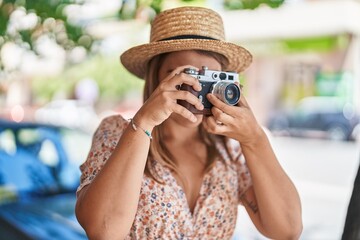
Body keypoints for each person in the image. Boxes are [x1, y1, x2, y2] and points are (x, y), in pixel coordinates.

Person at [75, 6, 302, 239]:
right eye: (188, 76)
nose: (196, 90)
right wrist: (144, 122)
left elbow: (287, 230)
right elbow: (103, 232)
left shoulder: (230, 150)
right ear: (157, 79)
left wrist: (255, 139)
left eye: (210, 78)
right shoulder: (117, 131)